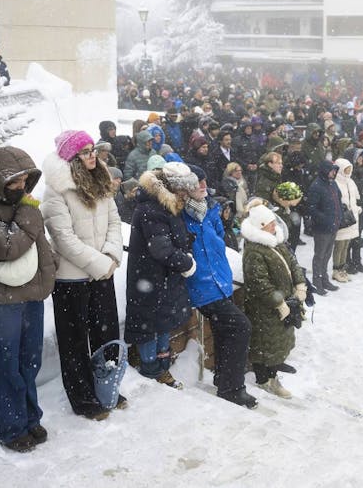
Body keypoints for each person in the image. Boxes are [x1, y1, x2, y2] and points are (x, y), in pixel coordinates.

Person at [0, 146, 56, 452]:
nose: (21, 188)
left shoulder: (24, 207)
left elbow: (36, 245)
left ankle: (31, 418)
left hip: (31, 293)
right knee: (8, 364)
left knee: (29, 361)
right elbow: (6, 247)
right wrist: (30, 212)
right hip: (0, 299)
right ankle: (11, 427)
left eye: (25, 181)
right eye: (14, 181)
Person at [40, 130, 125, 421]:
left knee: (106, 335)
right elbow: (63, 238)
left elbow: (114, 220)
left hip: (103, 273)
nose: (93, 155)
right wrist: (100, 264)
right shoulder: (57, 190)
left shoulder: (100, 181)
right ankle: (83, 397)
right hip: (72, 280)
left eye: (93, 149)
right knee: (74, 341)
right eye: (85, 151)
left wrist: (112, 255)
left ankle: (105, 387)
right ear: (72, 158)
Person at [181, 165, 257, 409]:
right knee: (241, 326)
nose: (203, 185)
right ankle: (232, 388)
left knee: (226, 329)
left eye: (204, 180)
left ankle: (223, 379)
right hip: (200, 286)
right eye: (196, 182)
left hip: (220, 281)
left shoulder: (211, 209)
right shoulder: (179, 214)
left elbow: (217, 242)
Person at [124, 163, 195, 387]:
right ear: (173, 187)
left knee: (163, 320)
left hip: (164, 277)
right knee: (149, 325)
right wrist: (186, 263)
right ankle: (150, 369)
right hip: (149, 277)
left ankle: (162, 365)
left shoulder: (168, 204)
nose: (186, 194)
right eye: (184, 189)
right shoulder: (151, 209)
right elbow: (161, 249)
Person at [240, 204, 308, 399]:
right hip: (265, 308)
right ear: (260, 226)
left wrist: (300, 284)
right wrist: (279, 303)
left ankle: (275, 367)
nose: (274, 226)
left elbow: (292, 262)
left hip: (284, 300)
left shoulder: (275, 240)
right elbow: (259, 283)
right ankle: (265, 379)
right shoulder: (254, 251)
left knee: (279, 339)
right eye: (270, 224)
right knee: (265, 344)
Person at [307, 160, 343, 295]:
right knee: (320, 255)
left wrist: (340, 216)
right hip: (322, 228)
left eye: (335, 170)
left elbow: (338, 200)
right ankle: (317, 281)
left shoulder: (333, 184)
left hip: (333, 225)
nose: (334, 173)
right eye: (331, 170)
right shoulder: (316, 186)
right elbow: (311, 208)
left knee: (327, 254)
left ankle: (324, 278)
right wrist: (324, 219)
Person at [331, 157, 362, 283]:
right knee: (339, 245)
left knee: (346, 245)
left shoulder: (351, 182)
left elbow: (355, 197)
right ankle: (336, 269)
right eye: (346, 169)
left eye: (350, 169)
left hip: (352, 218)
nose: (348, 172)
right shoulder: (336, 183)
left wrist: (357, 209)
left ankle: (342, 267)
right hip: (342, 218)